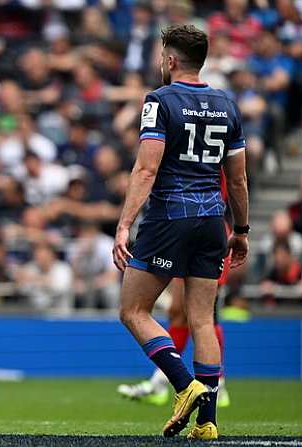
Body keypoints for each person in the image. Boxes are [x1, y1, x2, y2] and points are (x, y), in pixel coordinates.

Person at [112, 25, 249, 441]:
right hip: (213, 221)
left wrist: (124, 223)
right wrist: (240, 229)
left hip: (170, 217)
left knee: (133, 310)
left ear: (170, 60)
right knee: (202, 321)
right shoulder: (227, 104)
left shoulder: (159, 101)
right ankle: (207, 422)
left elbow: (147, 168)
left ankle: (182, 383)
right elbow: (239, 179)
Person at [118, 171, 233, 407]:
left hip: (187, 218)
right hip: (204, 222)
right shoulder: (219, 138)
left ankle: (213, 385)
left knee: (202, 316)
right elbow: (237, 178)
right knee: (180, 313)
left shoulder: (185, 140)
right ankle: (166, 383)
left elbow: (147, 170)